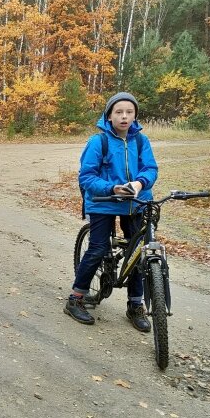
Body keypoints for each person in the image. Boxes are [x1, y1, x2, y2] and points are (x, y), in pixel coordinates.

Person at [65, 92, 159, 331]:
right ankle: (75, 298)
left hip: (136, 202)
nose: (124, 116)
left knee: (137, 252)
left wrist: (139, 184)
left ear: (135, 114)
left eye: (129, 112)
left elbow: (150, 169)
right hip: (104, 201)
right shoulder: (99, 142)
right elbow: (87, 177)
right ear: (109, 115)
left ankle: (135, 304)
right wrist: (112, 187)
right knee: (98, 248)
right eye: (119, 112)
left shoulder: (141, 141)